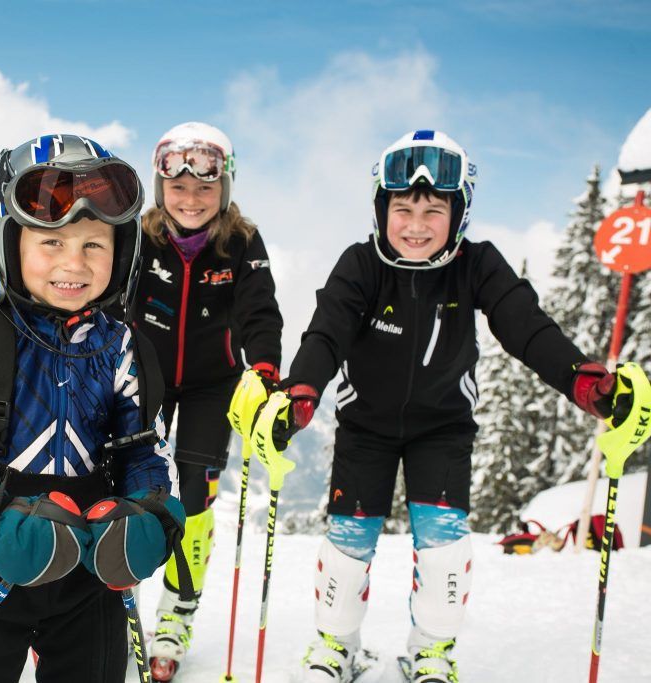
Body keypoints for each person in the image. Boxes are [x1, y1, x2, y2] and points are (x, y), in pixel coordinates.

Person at [238, 129, 644, 682]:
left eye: (434, 210)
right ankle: (337, 645)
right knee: (349, 541)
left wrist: (582, 380)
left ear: (459, 213)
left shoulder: (477, 265)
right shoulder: (361, 264)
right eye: (403, 209)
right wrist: (302, 390)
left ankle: (432, 650)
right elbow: (327, 332)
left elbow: (526, 327)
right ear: (381, 210)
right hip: (365, 428)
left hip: (444, 429)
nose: (417, 225)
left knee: (443, 545)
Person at [0, 134, 185, 683]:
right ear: (8, 241)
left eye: (94, 244)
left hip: (90, 571)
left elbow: (147, 452)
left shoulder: (122, 346)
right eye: (51, 243)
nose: (74, 263)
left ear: (121, 251)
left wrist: (149, 513)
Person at [130, 121, 283, 680]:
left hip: (211, 384)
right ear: (160, 187)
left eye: (205, 187)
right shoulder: (141, 237)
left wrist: (264, 370)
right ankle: (114, 603)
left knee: (193, 499)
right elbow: (114, 300)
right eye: (178, 187)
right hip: (143, 379)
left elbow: (260, 312)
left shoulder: (241, 242)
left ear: (225, 187)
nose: (190, 199)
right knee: (127, 489)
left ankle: (176, 615)